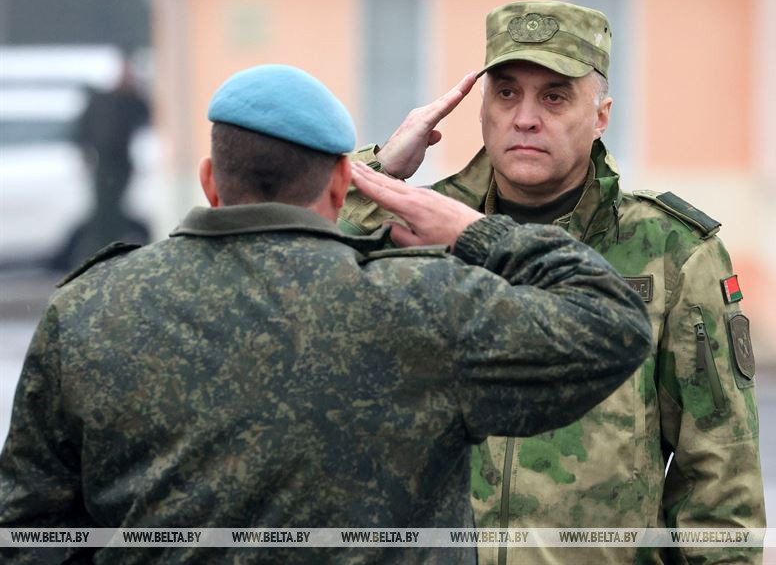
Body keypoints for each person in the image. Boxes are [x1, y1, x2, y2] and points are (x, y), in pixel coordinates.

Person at [0, 64, 652, 564]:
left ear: (209, 179)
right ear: (342, 183)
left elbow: (30, 534)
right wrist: (475, 231)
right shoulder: (426, 307)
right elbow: (610, 320)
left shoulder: (89, 309)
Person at [339, 0, 765, 564]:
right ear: (483, 106)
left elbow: (719, 474)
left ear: (601, 115)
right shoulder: (415, 228)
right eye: (507, 92)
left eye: (555, 97)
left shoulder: (673, 252)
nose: (525, 118)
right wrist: (379, 176)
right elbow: (290, 282)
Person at [52, 55, 151, 271]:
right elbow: (84, 131)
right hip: (104, 164)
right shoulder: (100, 101)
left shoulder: (128, 100)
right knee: (103, 215)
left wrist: (136, 90)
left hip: (121, 164)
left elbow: (146, 114)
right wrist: (86, 155)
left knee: (115, 213)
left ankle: (110, 255)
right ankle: (99, 256)